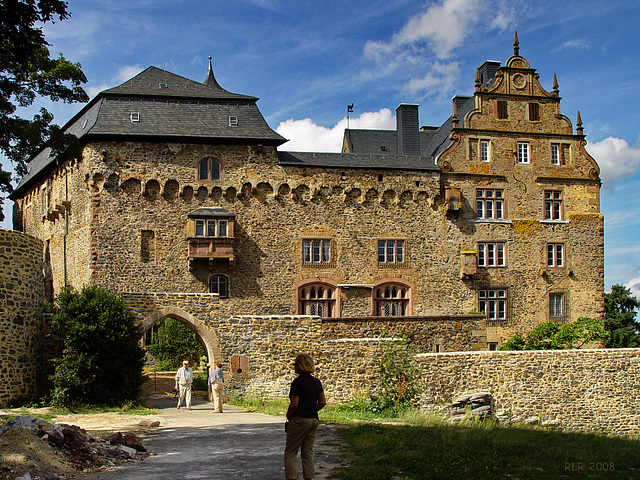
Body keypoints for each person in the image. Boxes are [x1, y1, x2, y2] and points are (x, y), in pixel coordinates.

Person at [284, 354, 326, 480]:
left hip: (299, 419)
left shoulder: (297, 383)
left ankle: (292, 477)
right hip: (313, 419)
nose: (294, 367)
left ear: (300, 366)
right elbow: (323, 402)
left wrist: (289, 414)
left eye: (295, 364)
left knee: (290, 453)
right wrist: (313, 409)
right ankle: (309, 477)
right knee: (307, 452)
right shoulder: (316, 382)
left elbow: (294, 403)